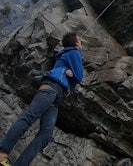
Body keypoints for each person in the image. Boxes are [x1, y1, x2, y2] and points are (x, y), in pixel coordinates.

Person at [0, 32, 84, 166]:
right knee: (29, 117)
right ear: (75, 43)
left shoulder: (65, 56)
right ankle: (2, 153)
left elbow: (73, 79)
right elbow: (79, 76)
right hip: (51, 88)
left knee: (46, 135)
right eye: (79, 40)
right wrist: (74, 73)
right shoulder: (74, 53)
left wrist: (71, 74)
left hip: (57, 97)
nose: (81, 42)